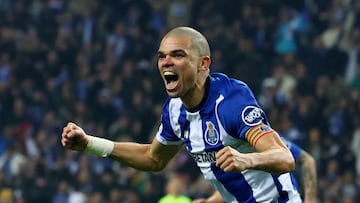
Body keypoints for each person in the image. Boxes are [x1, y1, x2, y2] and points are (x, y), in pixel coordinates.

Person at [61, 26, 302, 202]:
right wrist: (89, 144)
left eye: (177, 55)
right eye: (161, 56)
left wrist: (246, 159)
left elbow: (285, 158)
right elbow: (153, 159)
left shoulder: (230, 102)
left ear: (203, 64)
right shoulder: (175, 111)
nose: (166, 62)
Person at [192, 138, 318, 203]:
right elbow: (238, 186)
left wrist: (310, 200)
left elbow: (307, 160)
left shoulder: (266, 141)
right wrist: (210, 201)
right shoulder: (232, 149)